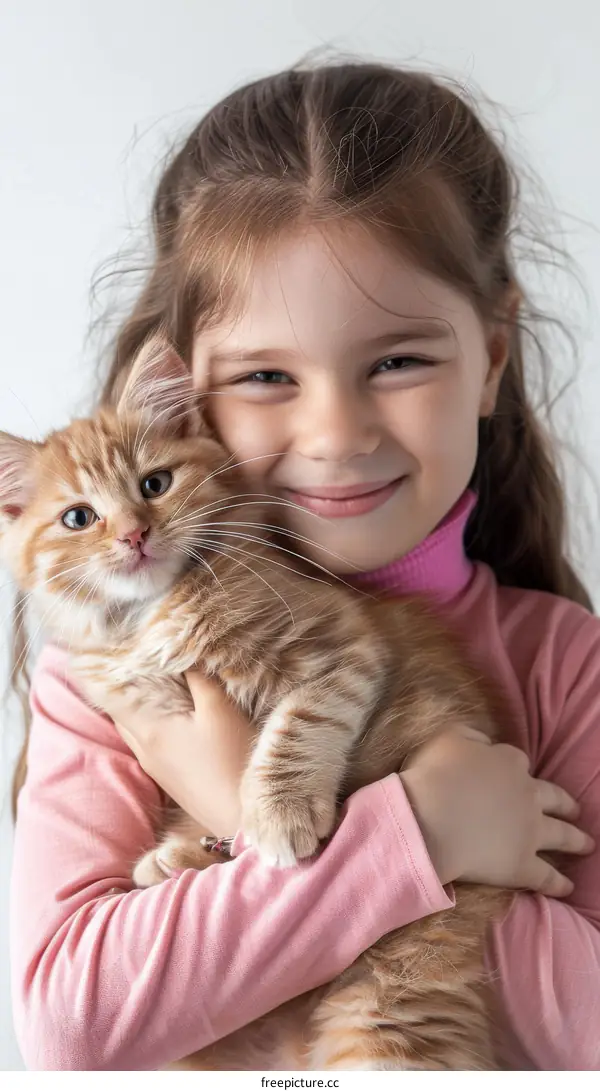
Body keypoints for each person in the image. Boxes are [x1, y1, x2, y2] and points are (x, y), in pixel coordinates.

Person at [9, 60, 600, 1072]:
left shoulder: (566, 665)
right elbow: (73, 1025)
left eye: (398, 360)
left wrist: (316, 845)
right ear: (188, 398)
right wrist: (405, 838)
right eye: (267, 377)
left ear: (493, 357)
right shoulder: (100, 686)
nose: (333, 431)